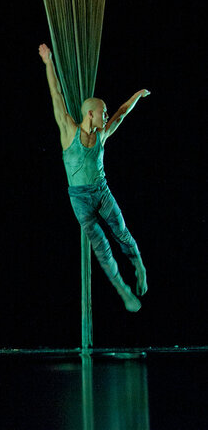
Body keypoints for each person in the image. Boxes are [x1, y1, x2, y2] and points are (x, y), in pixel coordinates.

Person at [38, 43, 149, 312]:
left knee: (121, 230)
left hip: (101, 191)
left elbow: (121, 112)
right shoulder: (69, 131)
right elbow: (56, 94)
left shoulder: (102, 135)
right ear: (90, 113)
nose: (106, 115)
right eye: (103, 111)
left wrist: (137, 95)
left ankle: (139, 265)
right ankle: (123, 290)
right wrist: (48, 62)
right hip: (80, 199)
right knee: (102, 247)